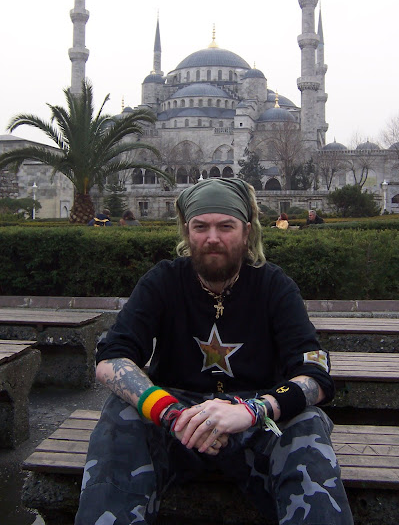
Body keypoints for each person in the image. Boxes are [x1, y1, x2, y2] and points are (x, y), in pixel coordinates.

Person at [76, 178, 353, 525]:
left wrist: (253, 410)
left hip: (256, 420)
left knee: (306, 423)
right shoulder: (163, 281)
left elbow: (315, 375)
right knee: (120, 416)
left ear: (247, 231)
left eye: (225, 226)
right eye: (200, 227)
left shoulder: (274, 286)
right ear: (186, 231)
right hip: (176, 421)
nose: (212, 238)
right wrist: (171, 413)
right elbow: (111, 358)